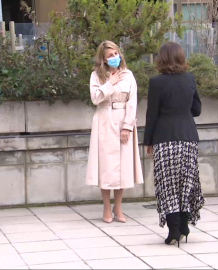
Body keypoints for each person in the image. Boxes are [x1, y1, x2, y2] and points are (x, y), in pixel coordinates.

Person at [144, 42, 205, 247]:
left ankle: (173, 230)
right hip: (188, 136)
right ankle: (185, 225)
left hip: (164, 137)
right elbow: (196, 109)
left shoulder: (156, 82)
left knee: (167, 184)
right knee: (186, 182)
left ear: (161, 59)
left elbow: (152, 114)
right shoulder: (189, 79)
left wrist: (148, 141)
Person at [86, 40, 144, 224]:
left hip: (122, 119)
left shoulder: (128, 75)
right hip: (104, 120)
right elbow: (95, 98)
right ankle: (106, 206)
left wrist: (128, 126)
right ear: (103, 58)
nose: (114, 58)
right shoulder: (96, 76)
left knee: (123, 167)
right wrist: (109, 83)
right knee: (106, 167)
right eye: (110, 55)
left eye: (116, 54)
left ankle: (118, 207)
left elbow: (132, 101)